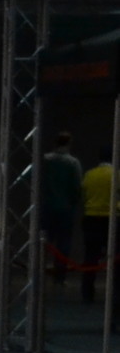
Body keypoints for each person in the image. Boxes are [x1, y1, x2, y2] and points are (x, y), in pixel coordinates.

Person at [42, 130, 84, 294]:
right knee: (63, 244)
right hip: (66, 208)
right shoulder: (73, 163)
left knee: (44, 243)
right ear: (69, 143)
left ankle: (38, 275)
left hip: (47, 206)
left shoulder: (46, 160)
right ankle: (60, 278)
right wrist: (74, 202)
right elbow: (77, 186)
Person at [85, 151, 113, 307]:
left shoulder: (90, 174)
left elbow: (84, 193)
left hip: (91, 217)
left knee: (90, 257)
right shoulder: (116, 175)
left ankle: (87, 292)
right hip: (113, 218)